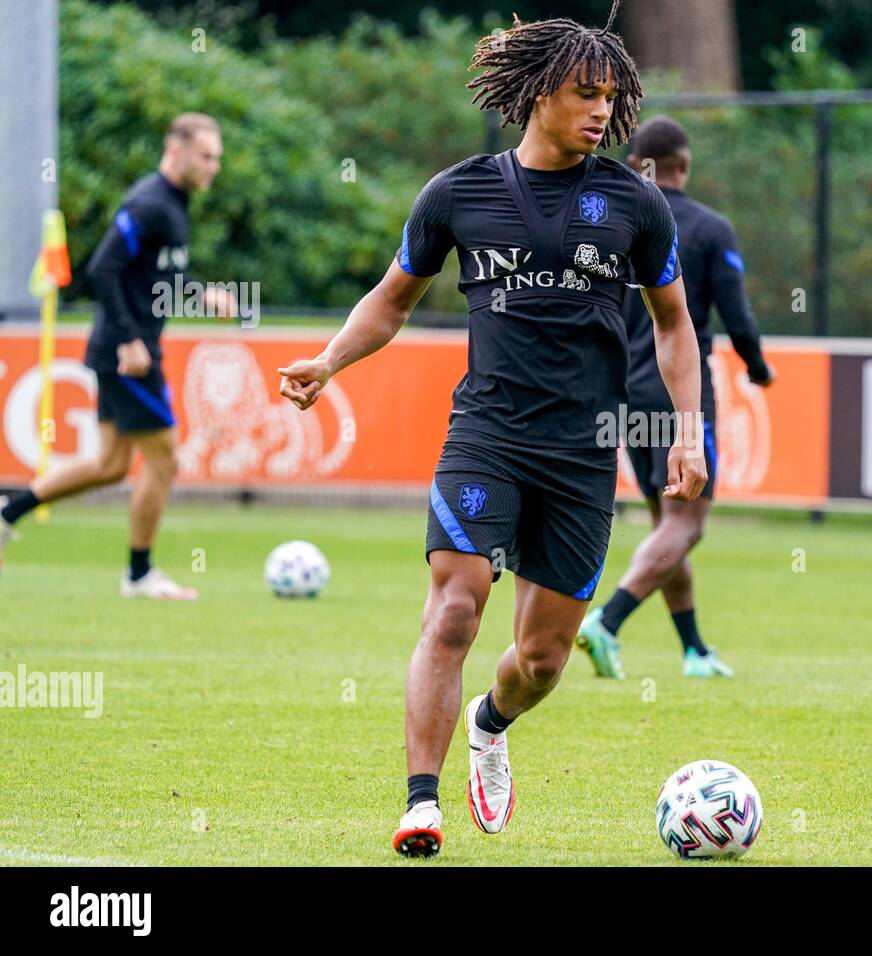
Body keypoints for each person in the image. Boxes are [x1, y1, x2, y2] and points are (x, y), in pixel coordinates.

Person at [276, 2, 706, 858]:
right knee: (454, 610)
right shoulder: (457, 193)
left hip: (585, 455)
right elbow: (391, 301)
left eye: (608, 96)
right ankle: (421, 804)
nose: (599, 110)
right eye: (585, 93)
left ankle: (491, 723)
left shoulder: (635, 204)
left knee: (541, 661)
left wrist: (687, 433)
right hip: (487, 435)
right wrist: (329, 361)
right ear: (540, 92)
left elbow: (673, 325)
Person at [574, 116, 774, 680]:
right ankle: (607, 622)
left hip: (621, 398)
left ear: (641, 163)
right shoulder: (710, 229)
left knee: (667, 521)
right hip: (676, 397)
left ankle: (693, 651)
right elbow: (738, 317)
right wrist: (758, 369)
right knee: (688, 525)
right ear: (684, 164)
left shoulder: (615, 223)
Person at [0, 112, 232, 597]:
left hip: (128, 350)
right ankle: (139, 573)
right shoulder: (149, 203)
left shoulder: (176, 203)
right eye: (207, 156)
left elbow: (154, 276)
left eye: (217, 158)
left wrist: (200, 293)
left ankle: (7, 513)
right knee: (165, 459)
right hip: (129, 356)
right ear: (177, 150)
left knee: (109, 463)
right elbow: (103, 268)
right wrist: (129, 338)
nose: (214, 166)